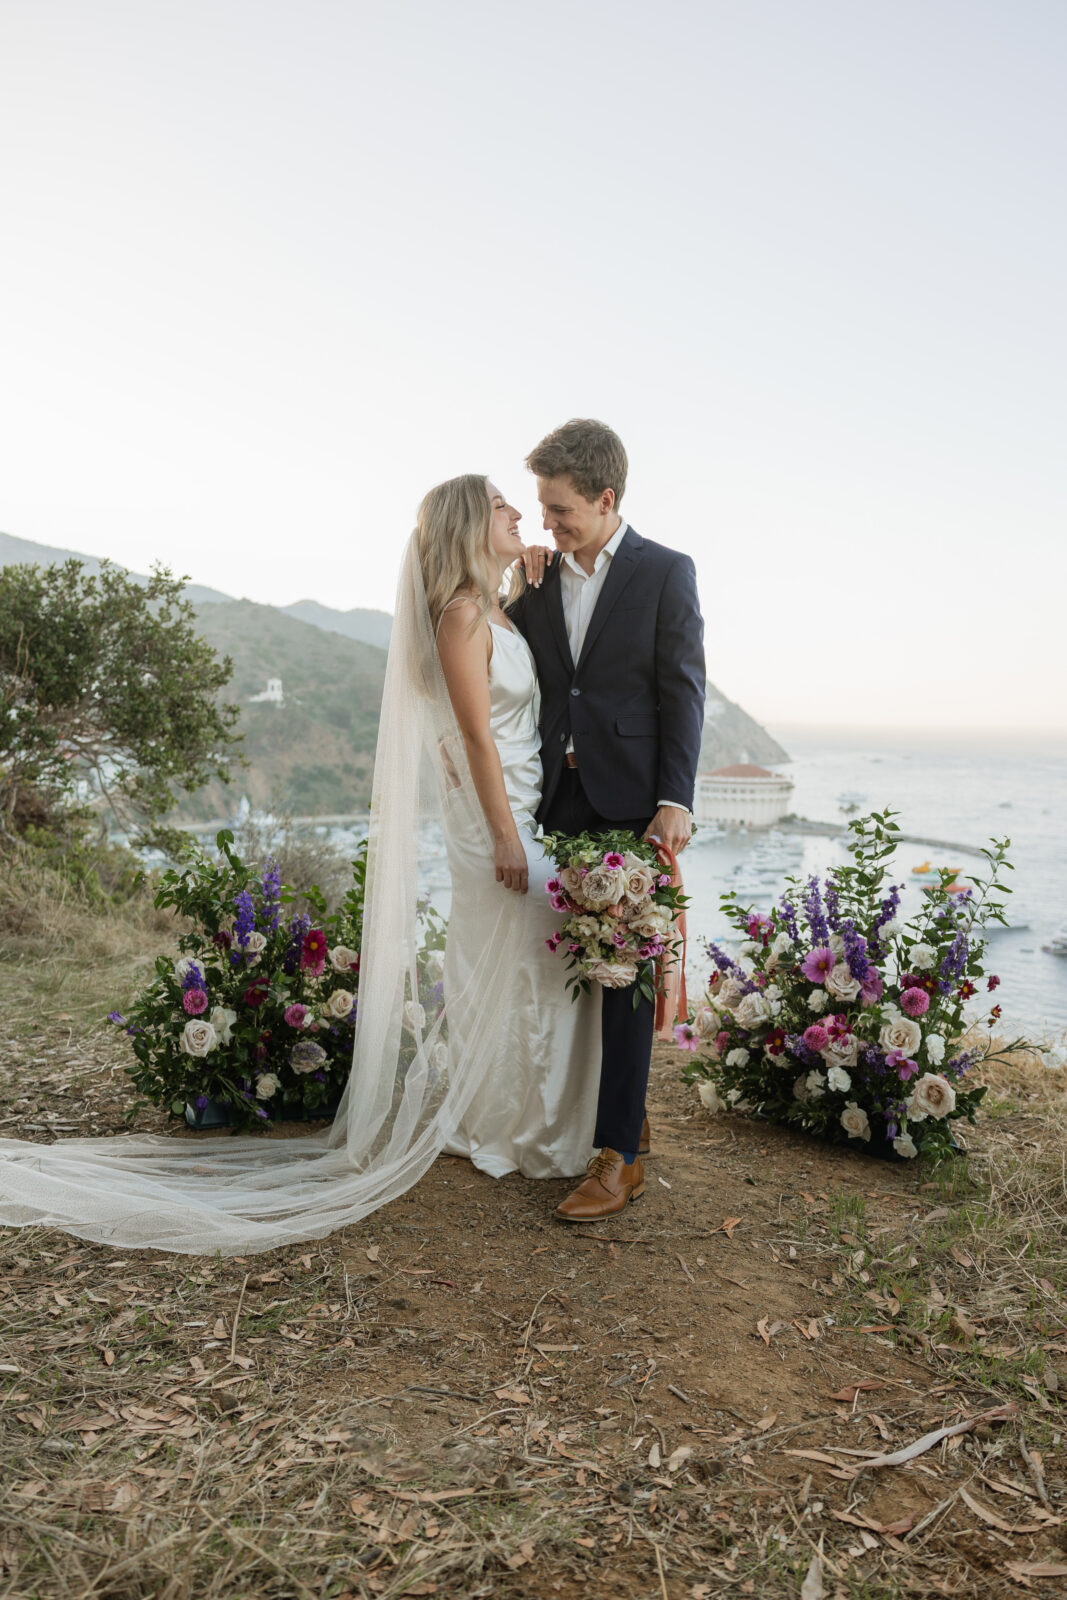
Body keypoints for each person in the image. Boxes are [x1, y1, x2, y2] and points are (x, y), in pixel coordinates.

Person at [508, 419, 705, 1223]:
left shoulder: (665, 572)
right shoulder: (540, 578)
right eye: (541, 510)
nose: (547, 525)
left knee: (622, 975)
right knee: (581, 969)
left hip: (632, 803)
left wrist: (675, 798)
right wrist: (513, 592)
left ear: (605, 497)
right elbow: (515, 672)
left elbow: (682, 688)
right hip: (559, 799)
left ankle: (617, 1155)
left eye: (559, 511)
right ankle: (624, 1116)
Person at [417, 474, 601, 1178]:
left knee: (531, 960)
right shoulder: (460, 616)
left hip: (527, 801)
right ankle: (511, 1123)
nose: (520, 512)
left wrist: (532, 573)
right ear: (469, 522)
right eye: (500, 505)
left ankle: (534, 1118)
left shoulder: (496, 609)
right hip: (493, 815)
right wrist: (502, 835)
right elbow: (473, 738)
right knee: (513, 958)